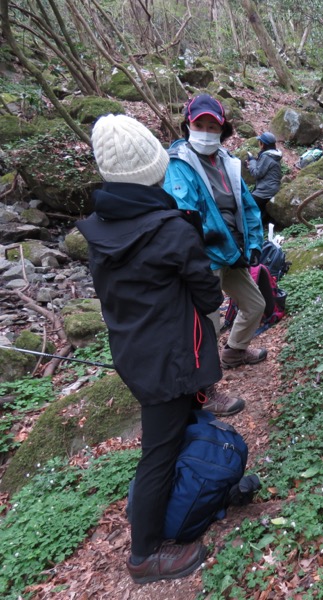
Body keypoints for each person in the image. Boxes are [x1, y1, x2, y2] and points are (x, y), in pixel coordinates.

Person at [77, 114, 221, 583]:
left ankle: (207, 485)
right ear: (153, 170)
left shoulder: (99, 231)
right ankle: (144, 555)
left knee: (180, 427)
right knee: (159, 449)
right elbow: (208, 292)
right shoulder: (170, 230)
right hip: (174, 358)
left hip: (134, 354)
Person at [164, 94, 268, 371]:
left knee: (255, 304)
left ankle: (234, 352)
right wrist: (222, 248)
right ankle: (206, 383)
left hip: (233, 251)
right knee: (209, 320)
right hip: (205, 257)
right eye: (201, 126)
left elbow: (247, 205)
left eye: (213, 127)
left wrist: (254, 244)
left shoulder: (227, 161)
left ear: (223, 130)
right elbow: (186, 217)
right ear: (188, 126)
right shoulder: (178, 164)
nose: (207, 133)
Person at [247, 131, 283, 217]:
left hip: (265, 191)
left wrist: (252, 161)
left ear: (262, 144)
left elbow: (257, 174)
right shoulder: (273, 155)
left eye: (260, 142)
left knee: (246, 205)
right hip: (272, 189)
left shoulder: (267, 156)